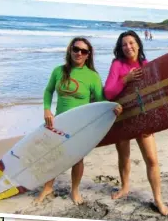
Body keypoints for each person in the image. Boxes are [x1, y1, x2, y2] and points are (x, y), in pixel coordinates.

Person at [35, 37, 123, 205]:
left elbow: (100, 100)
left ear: (88, 55)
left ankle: (74, 190)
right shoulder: (58, 71)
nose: (79, 53)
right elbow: (48, 91)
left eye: (84, 51)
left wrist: (114, 108)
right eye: (76, 49)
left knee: (77, 158)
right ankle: (48, 187)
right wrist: (47, 109)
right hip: (59, 121)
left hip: (81, 124)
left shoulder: (92, 76)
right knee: (53, 155)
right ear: (70, 50)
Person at [104, 30, 168, 216]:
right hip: (122, 118)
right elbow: (109, 92)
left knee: (152, 160)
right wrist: (127, 79)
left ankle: (158, 199)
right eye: (124, 44)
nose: (128, 47)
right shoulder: (117, 64)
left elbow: (155, 94)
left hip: (142, 119)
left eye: (131, 43)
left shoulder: (146, 65)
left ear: (138, 44)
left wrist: (153, 120)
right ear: (120, 48)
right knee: (124, 156)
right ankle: (125, 187)